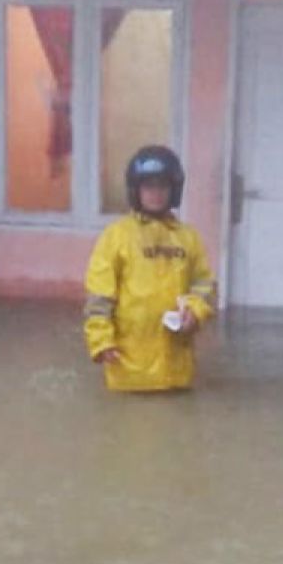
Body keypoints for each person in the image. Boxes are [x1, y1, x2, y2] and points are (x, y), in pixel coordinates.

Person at [83, 145, 217, 392]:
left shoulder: (189, 238)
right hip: (127, 368)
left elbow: (205, 285)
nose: (156, 194)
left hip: (176, 369)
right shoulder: (115, 237)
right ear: (136, 191)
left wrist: (195, 313)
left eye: (163, 186)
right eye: (149, 187)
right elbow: (99, 297)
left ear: (174, 190)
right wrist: (101, 342)